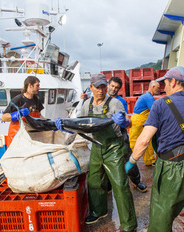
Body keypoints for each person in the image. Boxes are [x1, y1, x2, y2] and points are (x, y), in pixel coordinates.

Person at [125, 66, 184, 232]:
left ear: (174, 82)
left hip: (172, 171)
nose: (164, 88)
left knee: (160, 222)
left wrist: (132, 161)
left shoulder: (160, 105)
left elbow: (144, 140)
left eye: (166, 83)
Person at [56, 73, 137, 232]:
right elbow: (80, 124)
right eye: (97, 87)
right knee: (94, 182)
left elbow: (129, 122)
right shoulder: (86, 104)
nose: (101, 90)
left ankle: (129, 224)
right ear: (91, 87)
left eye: (103, 87)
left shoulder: (114, 103)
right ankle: (98, 211)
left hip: (114, 148)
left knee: (120, 185)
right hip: (96, 147)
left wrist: (124, 121)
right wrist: (66, 127)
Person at [107, 76, 148, 193]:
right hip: (105, 136)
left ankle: (136, 181)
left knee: (128, 157)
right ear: (108, 85)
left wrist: (124, 121)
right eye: (112, 86)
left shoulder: (121, 101)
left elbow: (127, 121)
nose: (114, 89)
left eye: (116, 88)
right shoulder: (100, 99)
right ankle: (108, 185)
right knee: (106, 161)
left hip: (120, 134)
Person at [2, 76, 43, 146]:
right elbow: (4, 117)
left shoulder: (36, 99)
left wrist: (49, 125)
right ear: (30, 85)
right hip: (18, 137)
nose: (39, 88)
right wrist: (18, 114)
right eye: (37, 86)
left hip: (31, 135)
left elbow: (39, 115)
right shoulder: (17, 100)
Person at [129, 80, 159, 166]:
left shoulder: (146, 96)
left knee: (147, 141)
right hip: (138, 121)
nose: (159, 89)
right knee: (133, 141)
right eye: (157, 87)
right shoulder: (148, 97)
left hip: (142, 121)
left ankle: (150, 161)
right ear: (153, 87)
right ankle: (129, 158)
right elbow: (155, 111)